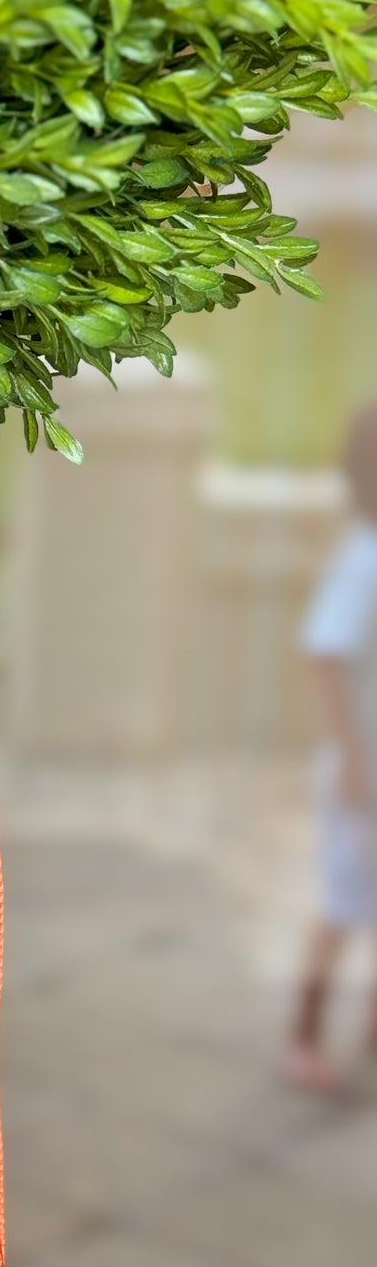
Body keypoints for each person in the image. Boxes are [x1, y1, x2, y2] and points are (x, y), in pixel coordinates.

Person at [288, 404, 377, 1091]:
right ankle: (305, 1036)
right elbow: (325, 652)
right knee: (344, 904)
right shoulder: (362, 561)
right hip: (363, 774)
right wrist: (352, 761)